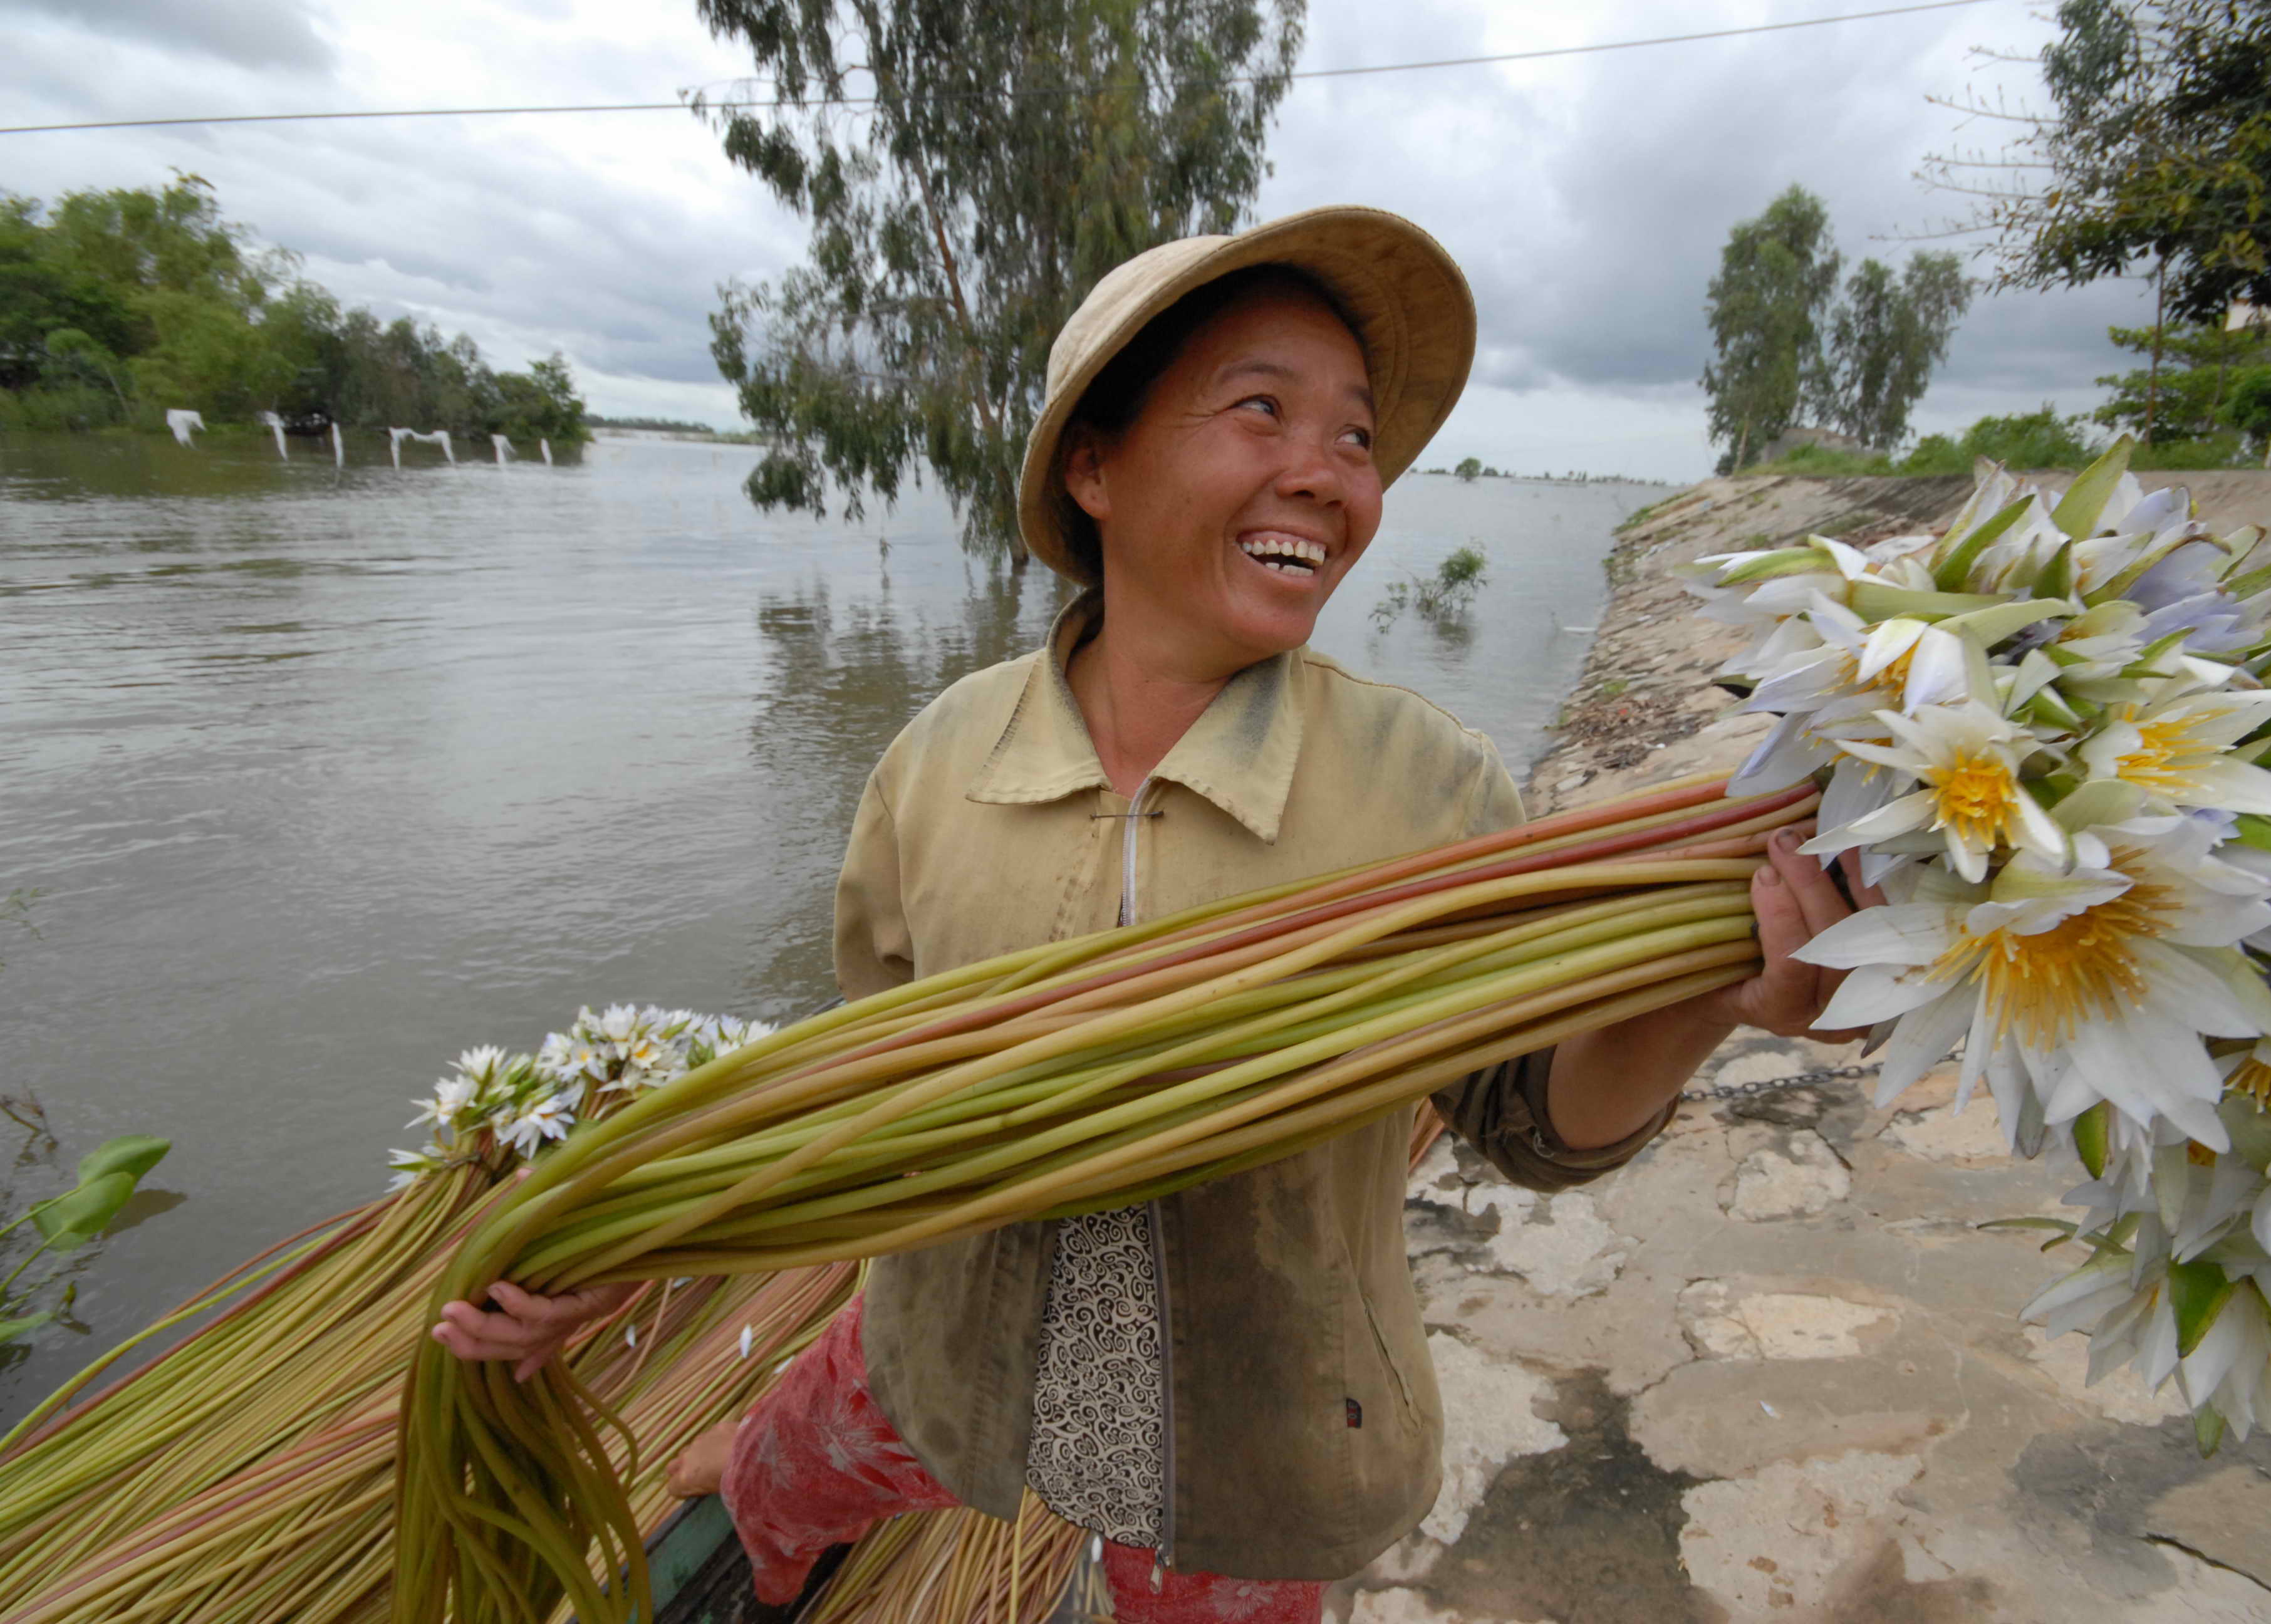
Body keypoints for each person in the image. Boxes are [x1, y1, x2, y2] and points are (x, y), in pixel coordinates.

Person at [432, 205, 1881, 1623]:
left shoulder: (1429, 786)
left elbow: (1523, 1121)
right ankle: (766, 1527)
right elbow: (851, 1096)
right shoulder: (936, 762)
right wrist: (607, 1246)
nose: (1326, 475)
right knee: (794, 1471)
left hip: (1246, 1445)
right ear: (1095, 467)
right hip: (946, 1359)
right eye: (1261, 411)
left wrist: (1698, 996)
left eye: (1357, 438)